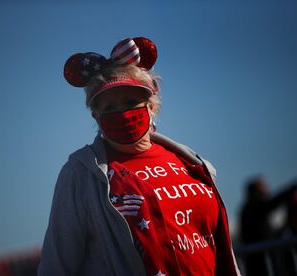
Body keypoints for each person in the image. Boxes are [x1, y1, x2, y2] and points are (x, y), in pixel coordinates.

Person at [39, 37, 240, 275]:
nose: (122, 113)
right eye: (109, 107)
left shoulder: (190, 162)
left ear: (151, 105)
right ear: (95, 116)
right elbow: (57, 265)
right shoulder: (81, 172)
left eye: (131, 101)